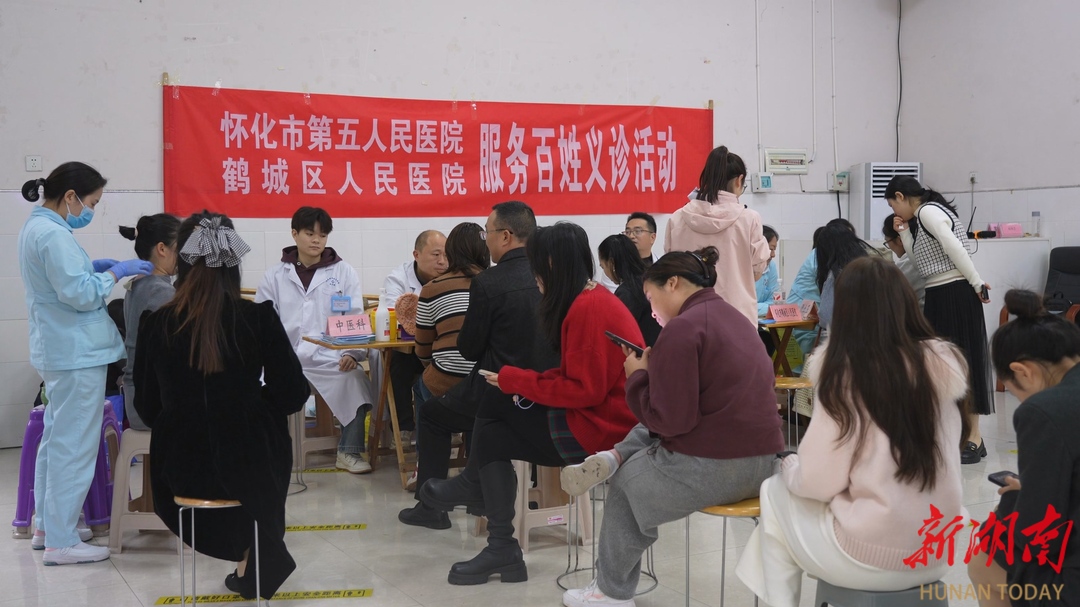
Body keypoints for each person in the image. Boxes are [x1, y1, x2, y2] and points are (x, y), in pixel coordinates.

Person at [735, 256, 970, 607]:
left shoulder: (846, 375)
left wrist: (790, 466)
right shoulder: (942, 369)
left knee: (774, 491)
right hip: (939, 550)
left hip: (872, 557)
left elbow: (816, 482)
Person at [560, 246, 783, 607]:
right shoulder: (736, 318)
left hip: (716, 468)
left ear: (673, 283)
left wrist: (637, 377)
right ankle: (617, 455)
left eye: (651, 298)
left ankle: (610, 592)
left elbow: (669, 421)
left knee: (626, 484)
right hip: (763, 463)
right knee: (648, 434)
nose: (652, 310)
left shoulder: (683, 328)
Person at [421, 222, 641, 586]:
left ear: (551, 264)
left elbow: (584, 391)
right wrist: (515, 380)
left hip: (600, 430)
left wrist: (518, 381)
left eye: (535, 263)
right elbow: (576, 378)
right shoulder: (589, 299)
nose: (532, 273)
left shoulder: (589, 308)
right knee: (495, 409)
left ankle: (494, 528)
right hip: (595, 417)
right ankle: (495, 531)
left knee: (494, 417)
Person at [134, 212, 309, 600]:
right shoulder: (257, 318)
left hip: (180, 470)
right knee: (262, 440)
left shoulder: (157, 324)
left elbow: (146, 406)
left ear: (182, 260)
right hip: (250, 469)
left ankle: (247, 559)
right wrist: (252, 407)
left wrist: (185, 410)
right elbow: (293, 393)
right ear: (234, 263)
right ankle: (253, 556)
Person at [18, 163, 153, 565]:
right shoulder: (53, 234)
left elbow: (59, 282)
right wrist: (114, 274)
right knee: (74, 445)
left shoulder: (39, 228)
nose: (91, 210)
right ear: (71, 196)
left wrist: (91, 269)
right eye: (92, 202)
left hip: (60, 349)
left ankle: (47, 527)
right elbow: (79, 294)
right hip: (74, 353)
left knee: (57, 439)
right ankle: (61, 542)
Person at [400, 202, 555, 530]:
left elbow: (469, 348)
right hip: (547, 395)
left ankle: (433, 508)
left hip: (500, 392)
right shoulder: (550, 276)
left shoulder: (490, 282)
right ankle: (481, 492)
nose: (487, 241)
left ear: (506, 236)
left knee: (432, 415)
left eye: (489, 233)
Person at [968, 290, 1080, 607]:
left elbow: (1035, 532)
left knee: (983, 561)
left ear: (1022, 372)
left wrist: (1018, 501)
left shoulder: (1045, 410)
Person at [255, 207, 375, 474]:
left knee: (355, 380)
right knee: (256, 386)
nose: (316, 240)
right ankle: (268, 451)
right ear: (294, 234)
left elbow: (354, 317)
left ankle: (348, 451)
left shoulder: (344, 272)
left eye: (322, 235)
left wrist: (352, 353)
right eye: (310, 233)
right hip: (284, 359)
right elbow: (262, 322)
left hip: (329, 358)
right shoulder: (275, 276)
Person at [887, 175, 992, 464]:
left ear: (900, 196)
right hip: (939, 292)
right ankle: (960, 434)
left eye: (893, 205)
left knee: (964, 363)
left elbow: (953, 247)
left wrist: (976, 282)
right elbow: (921, 262)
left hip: (954, 291)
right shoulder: (921, 217)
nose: (895, 211)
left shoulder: (928, 211)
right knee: (947, 366)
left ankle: (974, 437)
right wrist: (904, 232)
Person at [665, 146, 770, 327]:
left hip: (688, 317)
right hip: (737, 319)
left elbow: (669, 270)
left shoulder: (677, 218)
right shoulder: (749, 219)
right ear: (739, 180)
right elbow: (757, 272)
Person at [381, 230, 448, 441]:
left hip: (441, 349)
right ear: (416, 255)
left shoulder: (453, 276)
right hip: (410, 351)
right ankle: (403, 427)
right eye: (436, 254)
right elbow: (396, 315)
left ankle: (449, 424)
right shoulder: (398, 279)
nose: (442, 261)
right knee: (397, 363)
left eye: (446, 255)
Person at [413, 222, 490, 398]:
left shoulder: (432, 288)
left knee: (419, 386)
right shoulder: (498, 282)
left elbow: (423, 349)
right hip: (491, 382)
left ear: (451, 251)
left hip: (446, 383)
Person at [120, 214, 181, 430]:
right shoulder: (162, 292)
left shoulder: (135, 284)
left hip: (135, 397)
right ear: (162, 249)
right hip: (151, 404)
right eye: (180, 247)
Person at [598, 234, 662, 346]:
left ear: (611, 263)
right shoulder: (652, 278)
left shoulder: (627, 292)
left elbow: (618, 334)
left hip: (644, 351)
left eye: (603, 267)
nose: (605, 273)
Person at [814, 223, 875, 331]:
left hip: (848, 337)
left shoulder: (836, 274)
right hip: (880, 335)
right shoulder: (873, 267)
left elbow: (827, 318)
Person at [882, 213, 926, 307]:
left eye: (887, 242)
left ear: (899, 240)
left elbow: (888, 296)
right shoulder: (924, 252)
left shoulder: (909, 262)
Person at [755, 225, 781, 317]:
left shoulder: (771, 266)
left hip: (762, 319)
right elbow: (741, 306)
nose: (773, 255)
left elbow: (774, 301)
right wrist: (768, 308)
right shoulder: (741, 267)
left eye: (774, 250)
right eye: (771, 249)